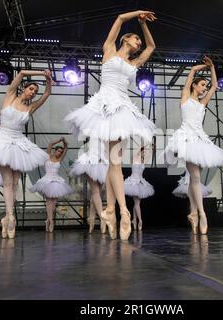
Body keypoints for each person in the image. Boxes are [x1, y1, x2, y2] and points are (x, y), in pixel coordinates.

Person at [64, 10, 157, 240]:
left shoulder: (134, 62)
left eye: (139, 40)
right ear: (125, 39)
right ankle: (122, 211)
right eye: (135, 38)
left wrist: (144, 25)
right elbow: (119, 19)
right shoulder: (109, 50)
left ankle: (110, 211)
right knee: (114, 162)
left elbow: (152, 47)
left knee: (113, 162)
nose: (138, 42)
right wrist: (138, 14)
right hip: (105, 105)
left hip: (122, 107)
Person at [0, 70, 53, 238]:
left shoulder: (31, 107)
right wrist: (41, 73)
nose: (33, 92)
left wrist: (48, 79)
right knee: (7, 181)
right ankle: (10, 216)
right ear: (24, 89)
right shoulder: (10, 96)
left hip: (19, 144)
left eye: (35, 91)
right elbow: (20, 73)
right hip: (2, 142)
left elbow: (47, 94)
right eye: (31, 89)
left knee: (14, 183)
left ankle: (6, 218)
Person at [164, 56, 223, 235]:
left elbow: (215, 86)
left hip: (200, 140)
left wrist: (213, 67)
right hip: (186, 140)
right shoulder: (185, 97)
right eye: (202, 85)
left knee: (194, 179)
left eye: (204, 87)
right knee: (196, 177)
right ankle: (202, 213)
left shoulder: (202, 103)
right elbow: (191, 73)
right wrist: (201, 67)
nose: (204, 88)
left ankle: (192, 213)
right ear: (194, 86)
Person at [29, 138, 73, 232]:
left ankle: (48, 220)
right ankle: (51, 221)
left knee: (54, 202)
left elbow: (66, 148)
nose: (59, 153)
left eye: (61, 152)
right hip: (47, 180)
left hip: (56, 181)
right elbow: (50, 144)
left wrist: (65, 142)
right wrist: (60, 140)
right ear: (54, 150)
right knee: (49, 201)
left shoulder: (60, 159)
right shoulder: (48, 156)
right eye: (58, 151)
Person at [69, 138, 108, 233]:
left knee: (96, 194)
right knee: (95, 191)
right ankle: (102, 218)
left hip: (101, 164)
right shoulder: (93, 135)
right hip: (91, 163)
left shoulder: (103, 138)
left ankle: (92, 221)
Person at [124, 145, 155, 231]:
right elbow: (138, 150)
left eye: (145, 152)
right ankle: (140, 221)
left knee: (136, 204)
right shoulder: (134, 158)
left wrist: (150, 148)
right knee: (137, 203)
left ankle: (134, 220)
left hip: (140, 183)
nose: (144, 153)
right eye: (143, 151)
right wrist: (144, 146)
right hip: (133, 183)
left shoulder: (143, 161)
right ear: (140, 151)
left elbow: (148, 155)